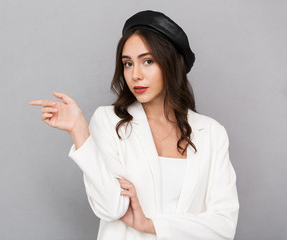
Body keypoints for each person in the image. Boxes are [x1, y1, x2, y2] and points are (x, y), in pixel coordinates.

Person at [29, 10, 239, 240]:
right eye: (128, 64)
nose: (135, 75)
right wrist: (79, 131)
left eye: (147, 61)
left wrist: (151, 225)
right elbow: (111, 208)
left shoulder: (211, 133)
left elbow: (224, 225)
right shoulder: (109, 121)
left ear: (172, 64)